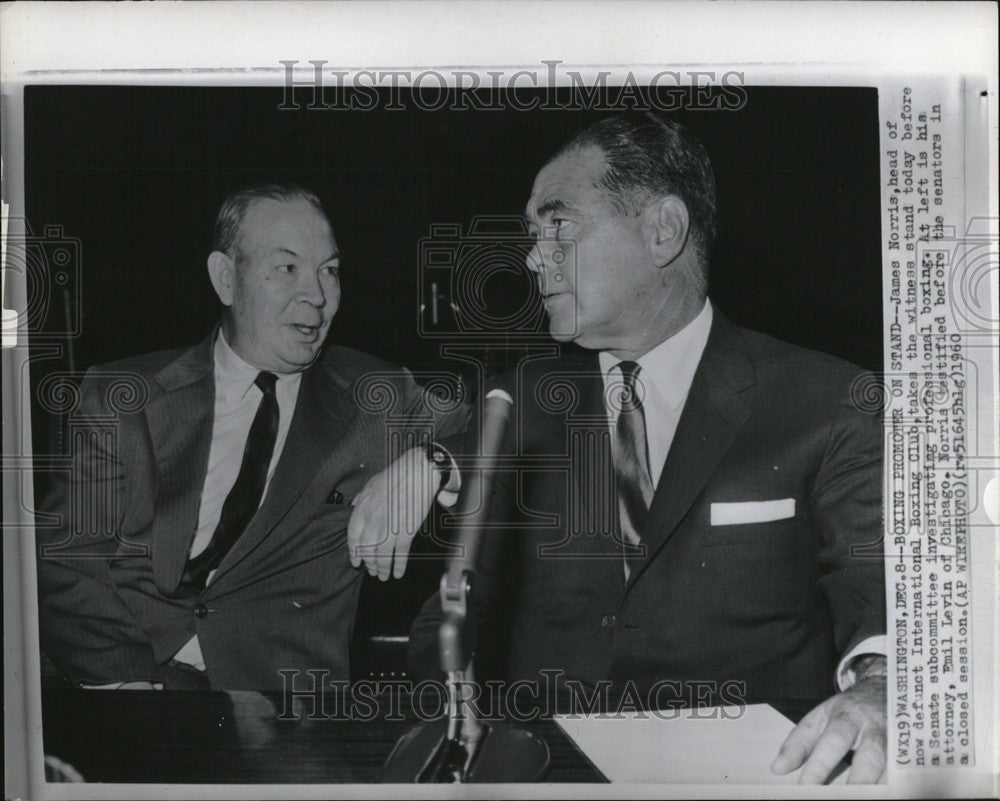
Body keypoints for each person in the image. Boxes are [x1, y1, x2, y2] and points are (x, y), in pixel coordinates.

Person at [409, 114, 887, 783]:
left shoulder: (829, 400)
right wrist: (445, 701)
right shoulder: (519, 403)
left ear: (662, 230)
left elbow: (879, 590)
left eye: (559, 224)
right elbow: (456, 608)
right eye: (531, 232)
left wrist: (880, 686)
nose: (531, 255)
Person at [36, 183, 467, 691]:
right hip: (126, 680)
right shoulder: (123, 396)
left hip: (283, 709)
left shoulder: (377, 396)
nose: (318, 295)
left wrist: (432, 461)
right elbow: (65, 561)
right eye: (288, 269)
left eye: (329, 270)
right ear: (225, 279)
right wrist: (130, 692)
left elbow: (509, 434)